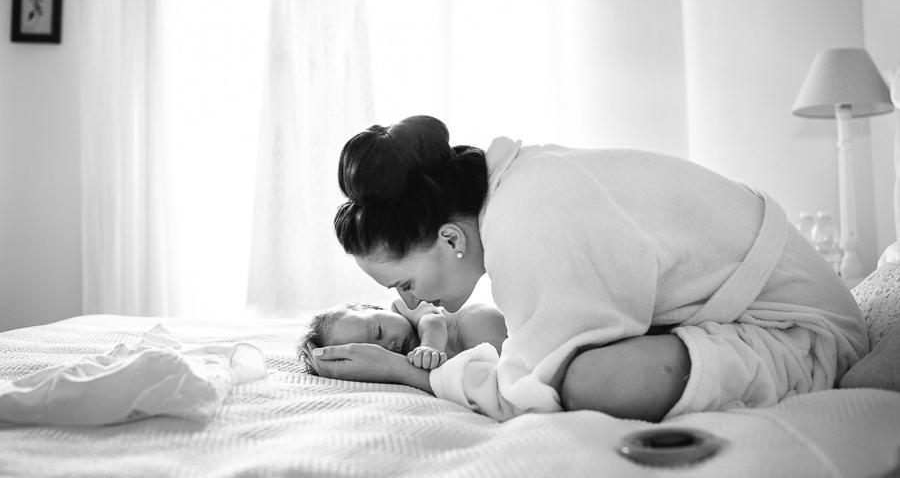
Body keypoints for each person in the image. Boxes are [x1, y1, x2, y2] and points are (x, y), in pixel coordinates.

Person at [305, 115, 869, 423]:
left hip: (799, 332)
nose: (408, 302)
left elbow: (530, 390)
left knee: (590, 381)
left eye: (404, 283)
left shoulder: (524, 217)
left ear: (450, 237)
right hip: (734, 312)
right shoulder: (517, 188)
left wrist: (412, 374)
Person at [299, 299, 506, 373]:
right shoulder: (409, 364)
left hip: (514, 328)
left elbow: (433, 320)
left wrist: (429, 347)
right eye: (377, 351)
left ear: (371, 307)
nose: (390, 345)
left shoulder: (406, 306)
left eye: (379, 331)